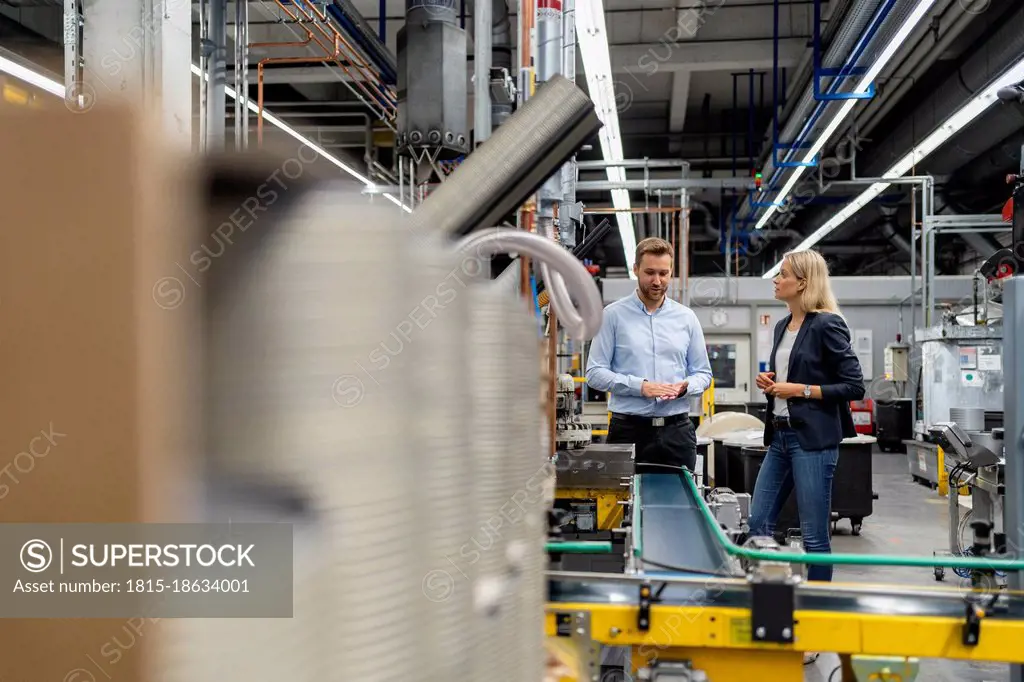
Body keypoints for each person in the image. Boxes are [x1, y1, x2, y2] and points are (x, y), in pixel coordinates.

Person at [748, 249, 864, 592]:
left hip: (812, 441)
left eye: (782, 275)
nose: (776, 280)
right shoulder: (783, 324)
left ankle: (818, 609)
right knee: (758, 523)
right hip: (780, 437)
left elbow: (854, 385)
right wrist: (771, 383)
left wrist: (801, 390)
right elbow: (791, 374)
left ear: (802, 283)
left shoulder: (827, 323)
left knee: (814, 534)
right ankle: (769, 597)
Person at [585, 237, 713, 473]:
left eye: (663, 273)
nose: (657, 281)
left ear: (671, 272)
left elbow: (703, 374)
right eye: (650, 273)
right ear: (635, 270)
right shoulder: (612, 316)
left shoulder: (686, 318)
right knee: (619, 506)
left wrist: (685, 386)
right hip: (628, 431)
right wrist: (640, 386)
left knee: (680, 502)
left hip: (677, 431)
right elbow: (594, 373)